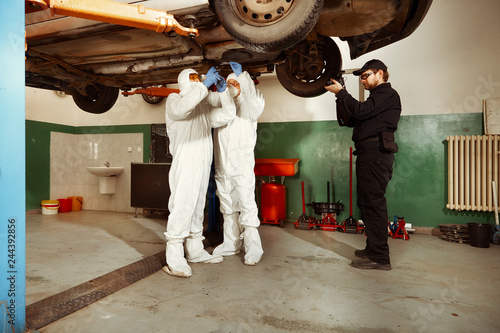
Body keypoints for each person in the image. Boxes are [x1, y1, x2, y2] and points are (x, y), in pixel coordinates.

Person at [325, 59, 401, 270]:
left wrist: (342, 93)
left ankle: (380, 257)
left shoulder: (387, 94)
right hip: (369, 154)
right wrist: (340, 97)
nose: (363, 80)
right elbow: (351, 119)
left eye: (366, 76)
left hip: (377, 154)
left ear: (380, 74)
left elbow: (359, 111)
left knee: (373, 204)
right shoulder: (374, 101)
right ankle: (372, 249)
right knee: (367, 204)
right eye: (361, 78)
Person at [163, 68, 236, 277]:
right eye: (192, 78)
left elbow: (229, 114)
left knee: (196, 207)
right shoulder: (174, 100)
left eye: (199, 78)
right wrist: (204, 86)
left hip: (204, 162)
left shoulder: (204, 110)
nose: (197, 81)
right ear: (183, 81)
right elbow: (182, 110)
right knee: (183, 204)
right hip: (185, 161)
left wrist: (223, 91)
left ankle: (195, 250)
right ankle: (174, 257)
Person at [210, 61, 265, 265]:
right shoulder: (222, 108)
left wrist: (242, 78)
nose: (231, 86)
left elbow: (253, 104)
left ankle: (253, 248)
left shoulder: (250, 107)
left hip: (241, 167)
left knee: (246, 204)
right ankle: (231, 244)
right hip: (223, 166)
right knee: (227, 204)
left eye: (235, 83)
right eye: (228, 83)